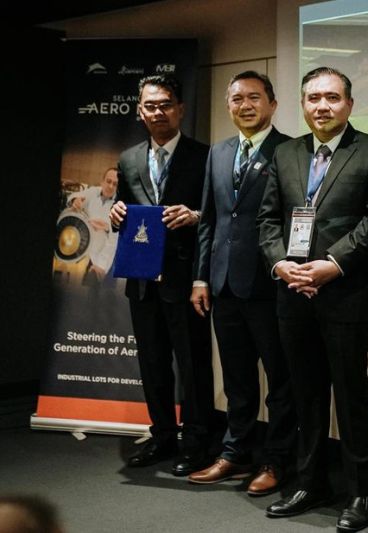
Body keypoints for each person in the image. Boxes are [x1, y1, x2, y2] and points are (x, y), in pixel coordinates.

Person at [258, 66, 368, 532]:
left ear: (349, 104)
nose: (322, 106)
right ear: (303, 104)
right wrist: (281, 264)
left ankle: (360, 492)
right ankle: (308, 481)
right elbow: (268, 220)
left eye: (332, 98)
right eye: (314, 98)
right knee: (305, 394)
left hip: (346, 295)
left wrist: (332, 264)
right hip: (292, 292)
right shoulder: (286, 153)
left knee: (350, 395)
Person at [187, 71, 296, 495]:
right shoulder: (219, 152)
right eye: (236, 99)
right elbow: (210, 220)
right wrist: (200, 277)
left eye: (254, 98)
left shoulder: (290, 151)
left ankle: (277, 460)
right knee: (236, 380)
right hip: (223, 283)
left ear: (272, 103)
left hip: (271, 283)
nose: (244, 105)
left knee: (280, 379)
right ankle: (235, 452)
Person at [109, 74, 213, 477]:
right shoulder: (129, 158)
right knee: (152, 365)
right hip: (141, 280)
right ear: (139, 111)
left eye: (165, 104)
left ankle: (198, 442)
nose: (158, 111)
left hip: (186, 280)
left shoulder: (205, 157)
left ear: (180, 109)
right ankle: (163, 436)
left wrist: (196, 215)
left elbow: (218, 214)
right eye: (150, 105)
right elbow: (123, 209)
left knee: (193, 365)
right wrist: (116, 214)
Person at [67, 167, 119, 281]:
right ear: (102, 181)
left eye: (115, 184)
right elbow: (73, 196)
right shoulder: (93, 192)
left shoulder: (119, 204)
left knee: (105, 293)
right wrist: (75, 201)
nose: (111, 186)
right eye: (108, 181)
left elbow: (114, 240)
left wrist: (107, 228)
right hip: (86, 249)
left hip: (107, 255)